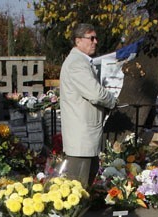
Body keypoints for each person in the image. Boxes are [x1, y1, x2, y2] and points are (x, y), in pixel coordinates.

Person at [59, 23, 117, 188]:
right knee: (77, 188)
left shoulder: (80, 61)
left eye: (96, 38)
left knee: (83, 185)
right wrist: (112, 101)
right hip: (81, 137)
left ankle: (79, 213)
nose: (95, 42)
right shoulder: (76, 62)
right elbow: (95, 93)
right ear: (78, 41)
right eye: (91, 38)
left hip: (85, 135)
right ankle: (75, 214)